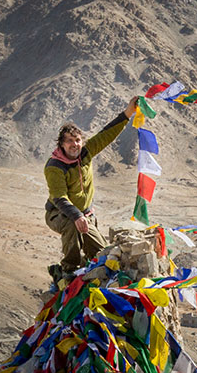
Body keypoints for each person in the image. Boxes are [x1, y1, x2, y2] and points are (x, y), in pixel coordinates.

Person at [44, 99, 141, 274]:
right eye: (70, 141)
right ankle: (68, 271)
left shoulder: (85, 153)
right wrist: (76, 216)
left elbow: (106, 135)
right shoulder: (54, 166)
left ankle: (86, 263)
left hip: (85, 215)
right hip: (59, 214)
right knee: (72, 225)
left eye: (78, 140)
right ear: (61, 144)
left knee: (101, 254)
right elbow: (59, 197)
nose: (75, 144)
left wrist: (128, 113)